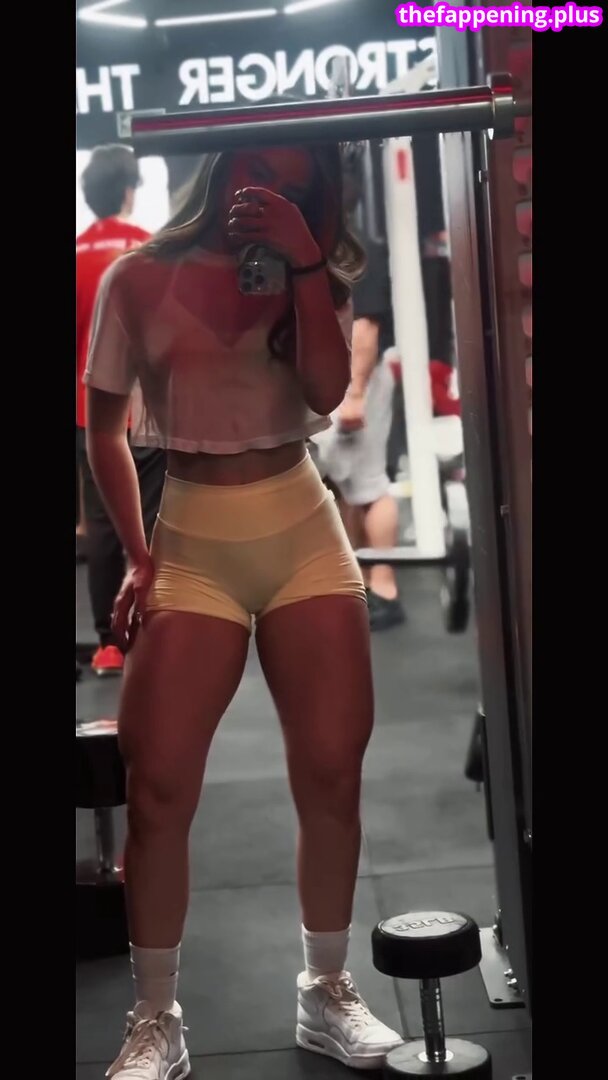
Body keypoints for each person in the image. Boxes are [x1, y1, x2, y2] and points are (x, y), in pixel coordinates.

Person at [84, 145, 403, 1078]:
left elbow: (323, 391)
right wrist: (138, 554)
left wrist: (303, 262)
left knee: (332, 771)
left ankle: (326, 988)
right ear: (223, 166)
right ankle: (155, 1015)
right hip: (192, 537)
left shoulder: (315, 274)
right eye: (258, 167)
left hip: (301, 527)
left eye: (294, 180)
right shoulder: (136, 278)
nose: (269, 188)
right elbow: (103, 426)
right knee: (157, 785)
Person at [77, 145, 166, 677]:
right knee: (153, 520)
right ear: (131, 190)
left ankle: (109, 644)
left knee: (103, 523)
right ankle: (157, 631)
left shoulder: (76, 254)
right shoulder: (151, 252)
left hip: (90, 413)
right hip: (147, 412)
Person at [311, 153, 406, 632]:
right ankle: (360, 584)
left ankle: (385, 587)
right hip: (336, 380)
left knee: (368, 486)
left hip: (357, 380)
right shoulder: (321, 248)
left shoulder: (357, 249)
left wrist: (353, 394)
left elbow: (365, 328)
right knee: (343, 488)